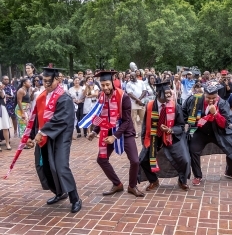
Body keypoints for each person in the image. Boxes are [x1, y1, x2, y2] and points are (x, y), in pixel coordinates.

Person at [24, 67, 82, 213]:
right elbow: (36, 118)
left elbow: (61, 119)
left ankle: (75, 198)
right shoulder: (41, 96)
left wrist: (42, 132)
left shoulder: (64, 97)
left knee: (61, 166)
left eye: (49, 81)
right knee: (45, 166)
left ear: (58, 80)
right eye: (44, 81)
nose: (46, 84)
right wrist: (31, 136)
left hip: (60, 136)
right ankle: (58, 192)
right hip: (44, 136)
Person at [84, 71, 145, 197]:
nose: (105, 88)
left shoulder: (124, 97)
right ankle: (117, 184)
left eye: (107, 84)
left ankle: (132, 186)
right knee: (101, 159)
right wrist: (95, 131)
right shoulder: (101, 96)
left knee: (135, 161)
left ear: (112, 82)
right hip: (108, 131)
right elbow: (100, 117)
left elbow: (127, 120)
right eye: (103, 85)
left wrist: (115, 136)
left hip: (125, 132)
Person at [183, 80, 232, 185]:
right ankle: (197, 175)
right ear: (204, 94)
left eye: (213, 97)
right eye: (208, 97)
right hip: (200, 131)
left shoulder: (223, 103)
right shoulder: (195, 100)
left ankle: (230, 171)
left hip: (218, 131)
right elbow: (183, 111)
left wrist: (215, 114)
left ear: (217, 95)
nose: (211, 100)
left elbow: (225, 123)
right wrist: (187, 122)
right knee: (193, 150)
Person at [139, 81, 191, 191]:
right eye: (166, 93)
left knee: (185, 159)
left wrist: (170, 130)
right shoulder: (150, 106)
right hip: (154, 136)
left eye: (170, 92)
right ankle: (154, 180)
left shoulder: (175, 106)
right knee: (142, 159)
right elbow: (145, 125)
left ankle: (182, 181)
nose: (169, 95)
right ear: (158, 93)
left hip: (173, 137)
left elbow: (181, 126)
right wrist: (144, 141)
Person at [126, 72, 147, 138]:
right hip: (133, 103)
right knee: (133, 119)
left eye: (133, 76)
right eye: (130, 77)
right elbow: (130, 93)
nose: (131, 78)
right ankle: (136, 132)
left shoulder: (141, 82)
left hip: (141, 103)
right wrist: (138, 100)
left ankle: (144, 131)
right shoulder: (128, 84)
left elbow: (144, 91)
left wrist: (139, 100)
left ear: (136, 76)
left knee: (143, 118)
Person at [0, 82, 11, 151]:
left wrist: (1, 90)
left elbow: (3, 97)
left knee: (5, 127)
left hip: (2, 108)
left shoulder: (1, 87)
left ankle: (7, 143)